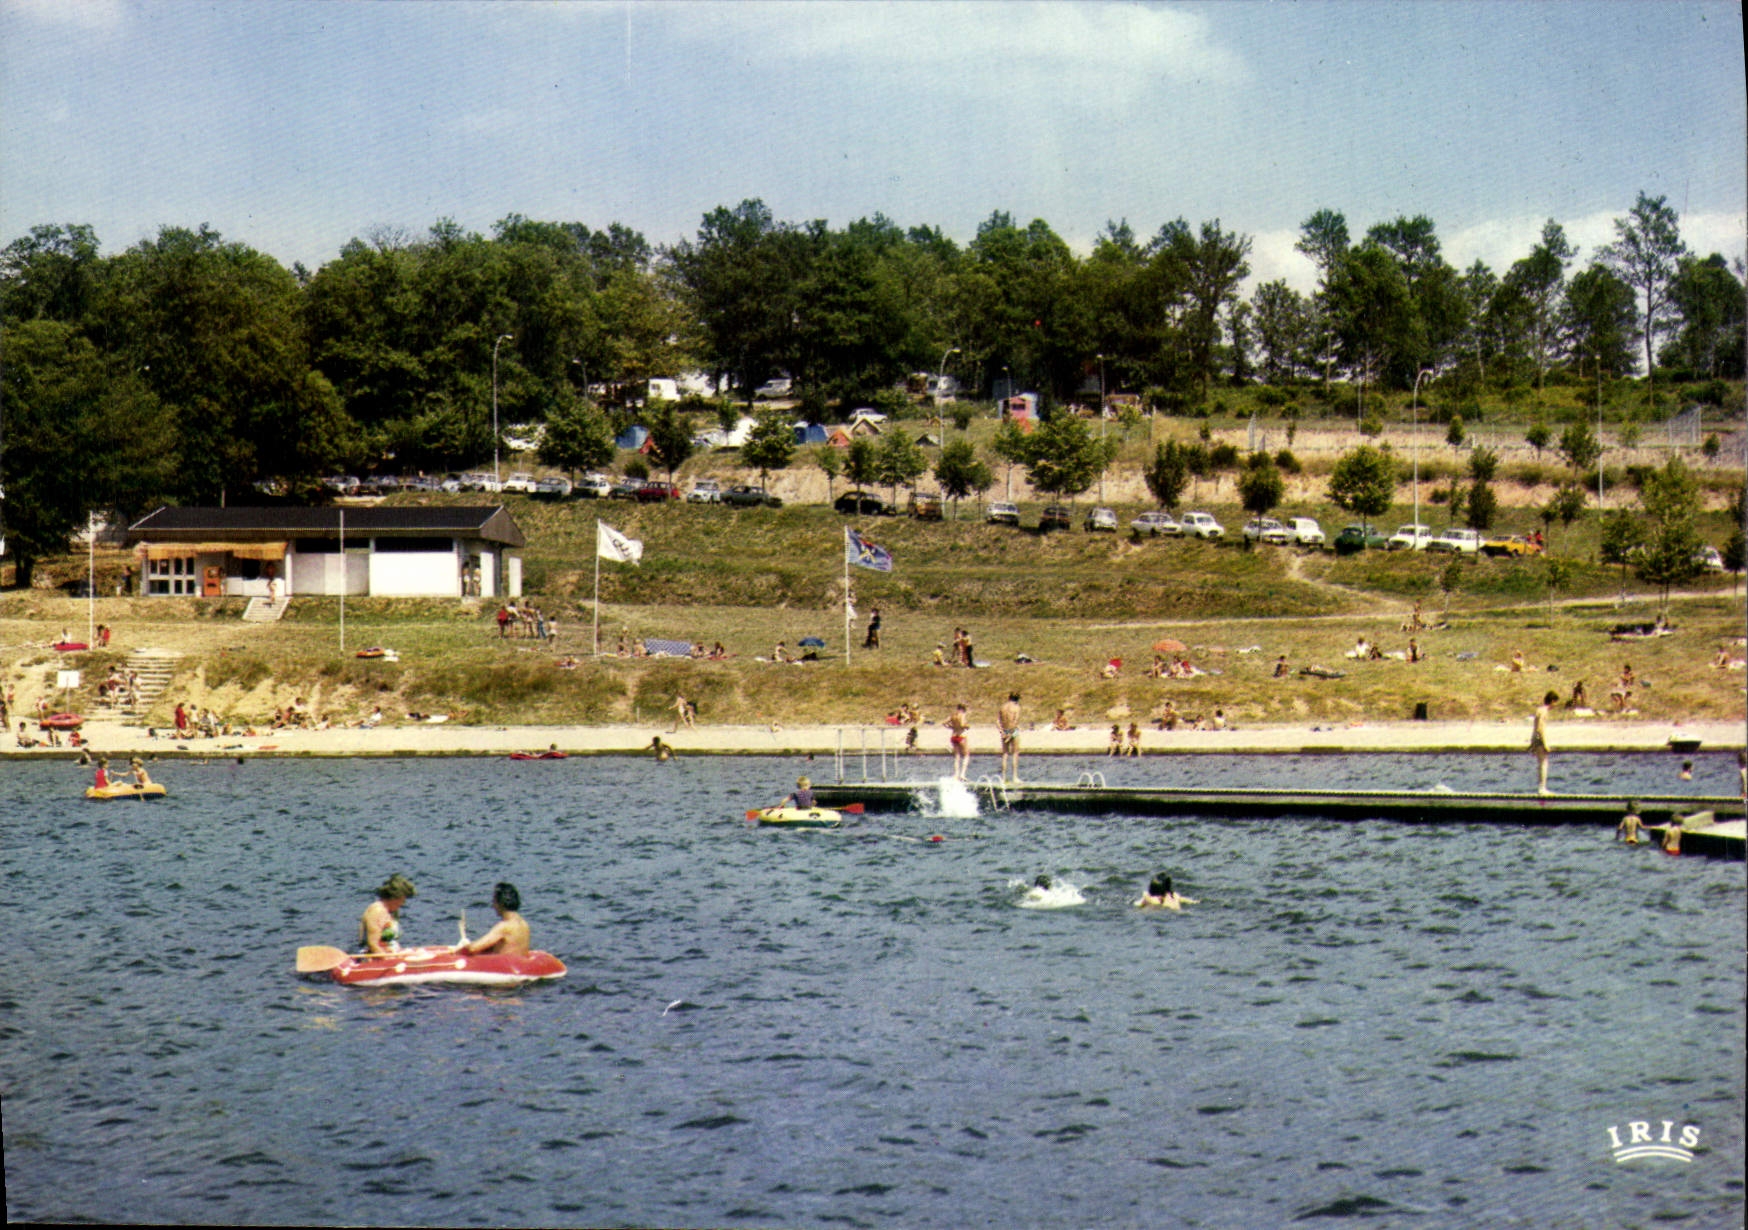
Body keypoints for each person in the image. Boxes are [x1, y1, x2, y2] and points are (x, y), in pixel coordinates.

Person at [458, 882, 531, 958]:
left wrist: (464, 945)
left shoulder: (504, 926)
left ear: (501, 904)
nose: (493, 906)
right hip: (518, 966)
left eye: (494, 902)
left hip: (504, 968)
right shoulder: (524, 924)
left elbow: (473, 949)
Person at [360, 874, 416, 954]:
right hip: (374, 959)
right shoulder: (377, 911)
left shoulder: (391, 911)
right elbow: (373, 944)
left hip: (391, 954)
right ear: (396, 896)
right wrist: (389, 960)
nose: (403, 903)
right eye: (403, 899)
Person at [1530, 690, 1557, 794]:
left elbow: (1535, 726)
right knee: (1544, 763)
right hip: (1540, 738)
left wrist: (1532, 742)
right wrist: (1544, 743)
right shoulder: (1544, 711)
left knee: (1540, 762)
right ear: (1552, 701)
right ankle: (1542, 788)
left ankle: (1541, 787)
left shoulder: (1539, 709)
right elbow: (1540, 727)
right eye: (1555, 702)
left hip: (1535, 737)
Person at [998, 692, 1022, 781]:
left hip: (1004, 730)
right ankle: (1014, 777)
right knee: (1015, 753)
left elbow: (997, 721)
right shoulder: (1016, 707)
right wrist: (1010, 734)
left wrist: (1003, 732)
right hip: (1013, 731)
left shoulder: (1002, 707)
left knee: (1005, 754)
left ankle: (1003, 777)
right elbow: (1015, 721)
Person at [948, 702, 971, 780]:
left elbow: (944, 723)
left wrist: (952, 727)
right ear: (963, 709)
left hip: (953, 736)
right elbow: (962, 724)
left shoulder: (953, 715)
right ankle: (962, 774)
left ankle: (956, 774)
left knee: (957, 756)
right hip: (961, 736)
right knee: (966, 755)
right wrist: (967, 726)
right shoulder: (962, 715)